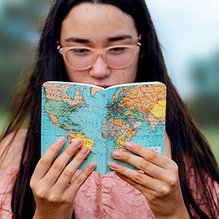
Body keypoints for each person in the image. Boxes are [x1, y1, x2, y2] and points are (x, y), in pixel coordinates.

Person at [0, 0, 218, 218]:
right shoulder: (14, 156)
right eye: (80, 50)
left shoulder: (187, 152)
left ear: (142, 47)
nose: (100, 70)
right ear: (58, 51)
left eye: (118, 49)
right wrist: (48, 214)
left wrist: (173, 212)